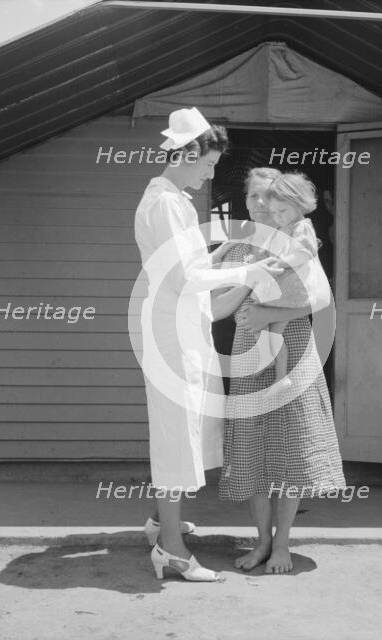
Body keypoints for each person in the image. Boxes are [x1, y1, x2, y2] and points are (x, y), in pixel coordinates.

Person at [134, 110, 282, 582]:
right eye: (207, 163)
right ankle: (171, 550)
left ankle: (161, 523)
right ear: (186, 154)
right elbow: (186, 278)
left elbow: (190, 271)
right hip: (172, 336)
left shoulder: (169, 199)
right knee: (177, 436)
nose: (210, 173)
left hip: (181, 329)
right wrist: (245, 272)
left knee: (186, 431)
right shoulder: (167, 204)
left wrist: (216, 257)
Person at [213, 168, 346, 574]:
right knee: (252, 451)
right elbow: (217, 309)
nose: (260, 204)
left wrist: (269, 309)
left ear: (282, 201)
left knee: (290, 448)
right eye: (253, 196)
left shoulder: (297, 240)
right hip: (249, 348)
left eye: (268, 196)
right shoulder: (239, 248)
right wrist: (247, 281)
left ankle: (284, 544)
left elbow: (318, 298)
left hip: (296, 346)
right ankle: (262, 543)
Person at [249, 173, 324, 398]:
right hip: (286, 293)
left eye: (281, 212)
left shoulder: (302, 227)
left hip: (288, 293)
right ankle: (280, 376)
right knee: (273, 333)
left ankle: (269, 361)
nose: (278, 217)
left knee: (259, 319)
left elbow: (304, 251)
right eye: (274, 213)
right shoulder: (284, 228)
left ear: (298, 204)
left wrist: (279, 262)